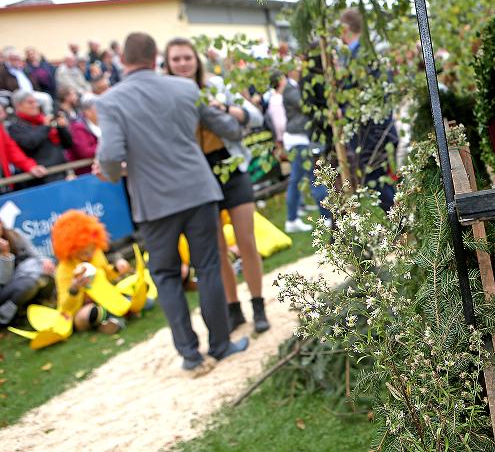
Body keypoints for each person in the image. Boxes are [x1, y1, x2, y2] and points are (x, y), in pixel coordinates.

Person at [94, 32, 248, 372]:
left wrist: (112, 172)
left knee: (165, 275)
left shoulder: (110, 101)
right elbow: (228, 127)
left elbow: (110, 154)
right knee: (207, 267)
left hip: (153, 202)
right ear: (156, 59)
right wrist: (243, 117)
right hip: (198, 190)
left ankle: (191, 356)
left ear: (123, 60)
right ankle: (221, 345)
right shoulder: (185, 88)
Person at [164, 37, 271, 333]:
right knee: (217, 247)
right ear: (168, 64)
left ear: (196, 61)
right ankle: (233, 308)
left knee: (246, 240)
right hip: (197, 176)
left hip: (231, 166)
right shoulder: (167, 95)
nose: (183, 63)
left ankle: (258, 305)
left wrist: (222, 107)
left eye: (188, 57)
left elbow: (255, 115)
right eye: (176, 59)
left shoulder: (215, 85)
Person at [339, 8, 399, 212]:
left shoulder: (361, 56)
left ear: (346, 28)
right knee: (383, 184)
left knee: (380, 187)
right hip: (377, 133)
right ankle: (401, 225)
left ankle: (402, 227)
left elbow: (365, 97)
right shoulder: (365, 53)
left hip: (371, 135)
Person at [270, 69, 331, 233]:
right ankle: (326, 217)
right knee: (314, 178)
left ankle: (293, 219)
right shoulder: (290, 90)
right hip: (299, 140)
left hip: (299, 139)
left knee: (297, 180)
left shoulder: (292, 88)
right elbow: (307, 105)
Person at [50, 210, 127, 334]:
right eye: (85, 252)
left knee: (130, 294)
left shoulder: (97, 253)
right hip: (81, 309)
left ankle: (110, 319)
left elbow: (107, 276)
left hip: (105, 297)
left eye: (92, 248)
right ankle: (113, 318)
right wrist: (74, 289)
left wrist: (118, 268)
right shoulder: (63, 270)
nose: (90, 254)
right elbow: (66, 307)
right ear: (72, 250)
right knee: (89, 314)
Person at [7, 90, 72, 185]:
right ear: (18, 106)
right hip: (40, 179)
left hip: (61, 172)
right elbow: (30, 143)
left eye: (36, 102)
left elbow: (68, 144)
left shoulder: (43, 120)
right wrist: (46, 126)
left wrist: (62, 128)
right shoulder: (15, 126)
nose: (35, 105)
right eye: (30, 102)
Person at [0, 222, 56, 327]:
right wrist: (5, 255)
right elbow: (4, 282)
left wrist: (44, 261)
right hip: (7, 289)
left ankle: (38, 309)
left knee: (47, 274)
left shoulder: (14, 235)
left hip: (27, 276)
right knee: (29, 284)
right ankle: (6, 319)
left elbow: (34, 253)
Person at [65, 95, 101, 174]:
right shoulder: (78, 127)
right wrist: (106, 144)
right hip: (86, 173)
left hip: (99, 168)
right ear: (87, 112)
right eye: (97, 109)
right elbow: (85, 152)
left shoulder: (102, 122)